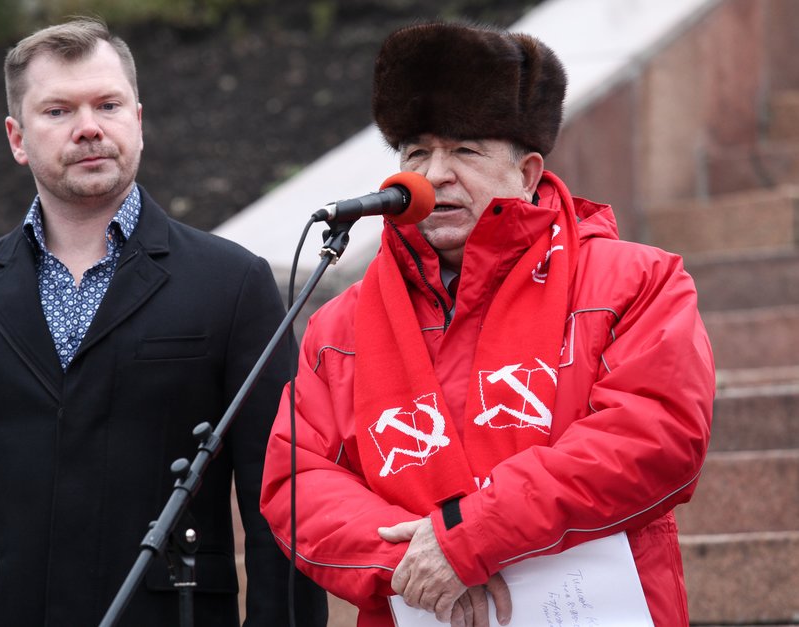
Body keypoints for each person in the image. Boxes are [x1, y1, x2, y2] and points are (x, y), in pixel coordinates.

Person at [0, 17, 326, 627]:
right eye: (58, 111)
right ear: (16, 138)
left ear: (138, 120)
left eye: (108, 104)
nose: (89, 127)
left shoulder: (233, 283)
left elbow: (284, 495)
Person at [260, 20, 714, 627]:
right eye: (416, 153)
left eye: (465, 151)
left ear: (527, 174)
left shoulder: (636, 280)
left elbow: (655, 435)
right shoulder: (337, 328)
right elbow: (297, 479)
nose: (433, 175)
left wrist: (470, 537)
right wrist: (410, 564)